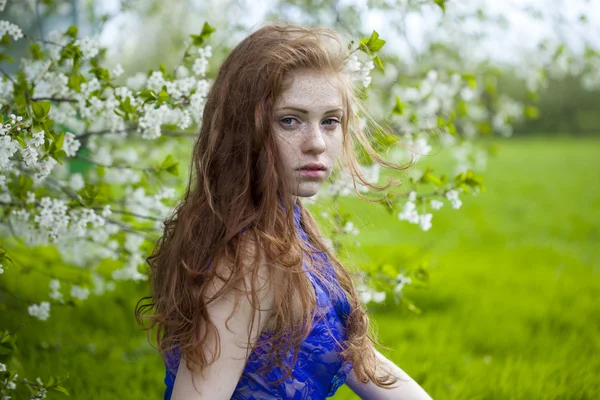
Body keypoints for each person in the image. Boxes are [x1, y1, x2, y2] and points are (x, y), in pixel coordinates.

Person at [135, 23, 433, 400]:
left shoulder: (293, 227)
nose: (316, 144)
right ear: (244, 130)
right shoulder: (247, 259)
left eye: (330, 121)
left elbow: (359, 359)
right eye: (289, 120)